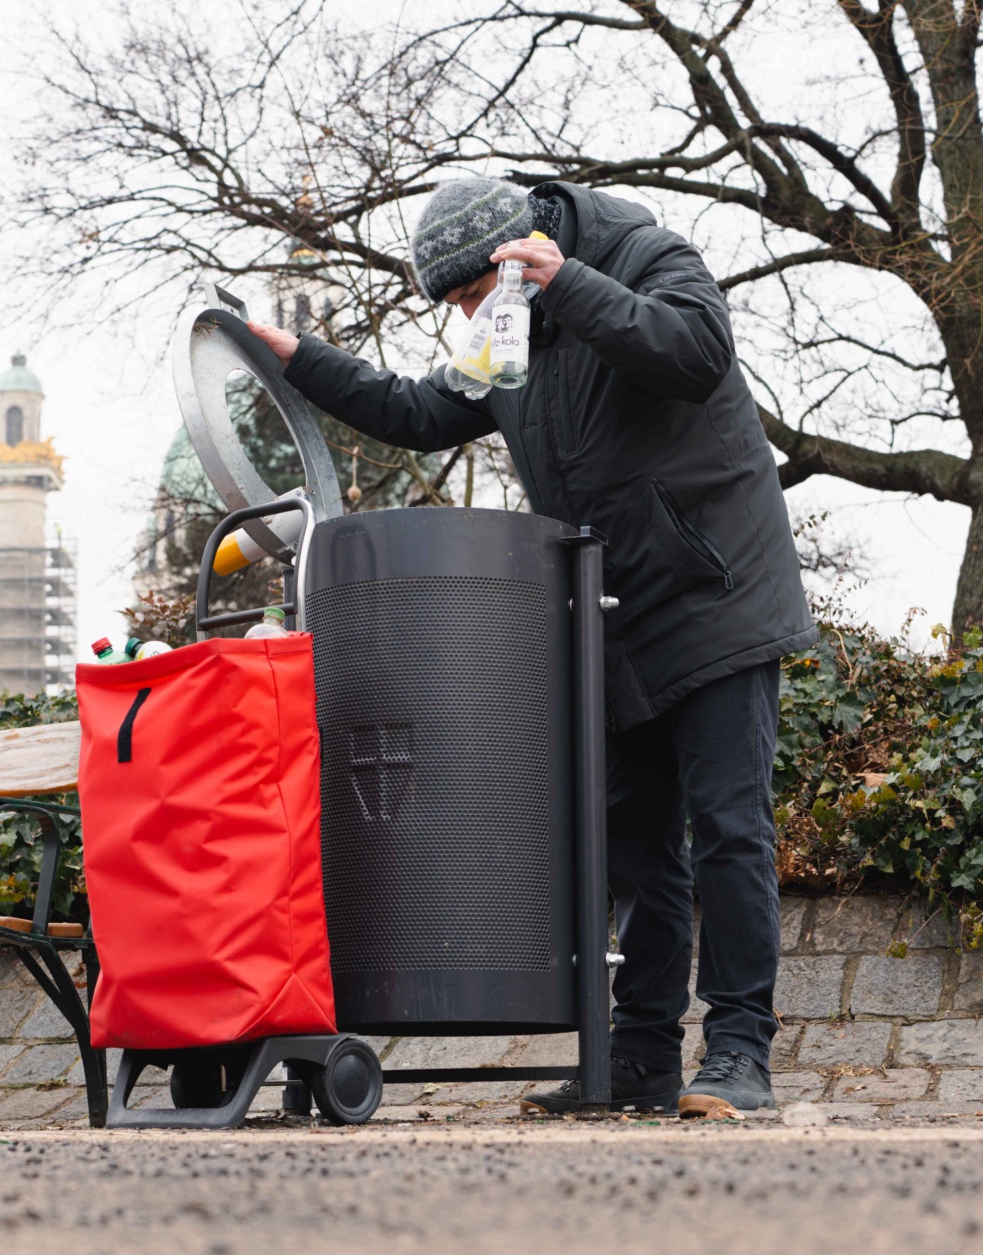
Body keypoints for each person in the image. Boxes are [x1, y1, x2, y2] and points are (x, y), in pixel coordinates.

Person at [247, 177, 814, 1117]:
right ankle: (639, 1058)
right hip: (611, 616)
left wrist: (571, 284)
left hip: (716, 595)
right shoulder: (504, 338)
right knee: (633, 850)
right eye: (459, 306)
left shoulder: (640, 253)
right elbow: (421, 412)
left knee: (728, 830)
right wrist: (301, 357)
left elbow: (697, 349)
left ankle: (740, 1054)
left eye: (471, 297)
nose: (468, 318)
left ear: (516, 255)